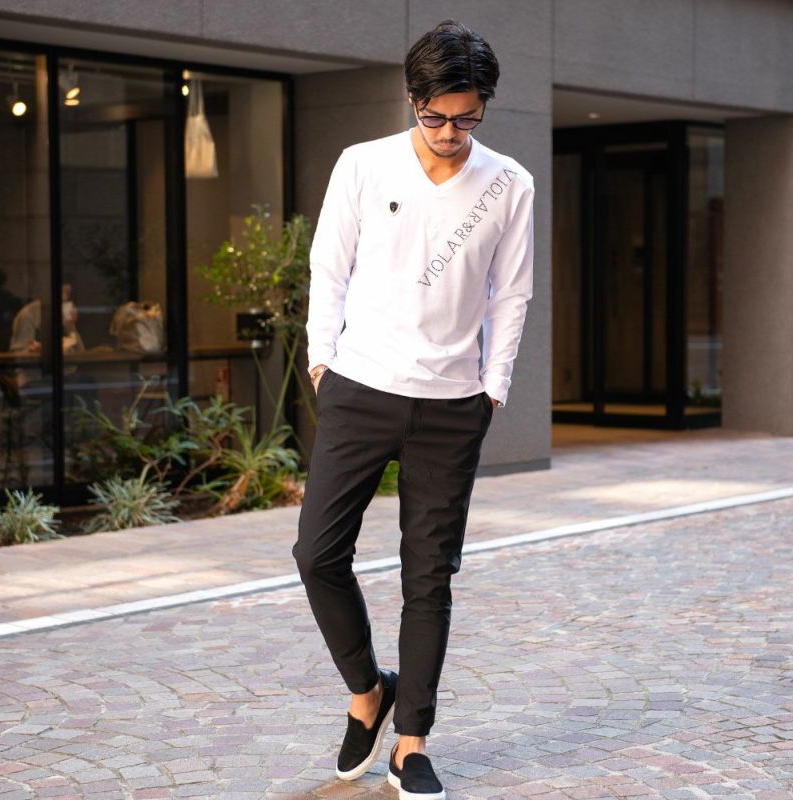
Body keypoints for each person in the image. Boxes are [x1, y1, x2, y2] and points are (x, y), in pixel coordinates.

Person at [293, 19, 535, 799]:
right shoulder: (363, 165)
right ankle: (368, 691)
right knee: (316, 554)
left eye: (467, 118)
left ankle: (411, 743)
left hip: (452, 406)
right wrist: (322, 363)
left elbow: (512, 293)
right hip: (359, 389)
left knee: (428, 577)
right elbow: (329, 268)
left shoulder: (509, 184)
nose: (451, 134)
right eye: (436, 117)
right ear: (411, 100)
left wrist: (493, 387)